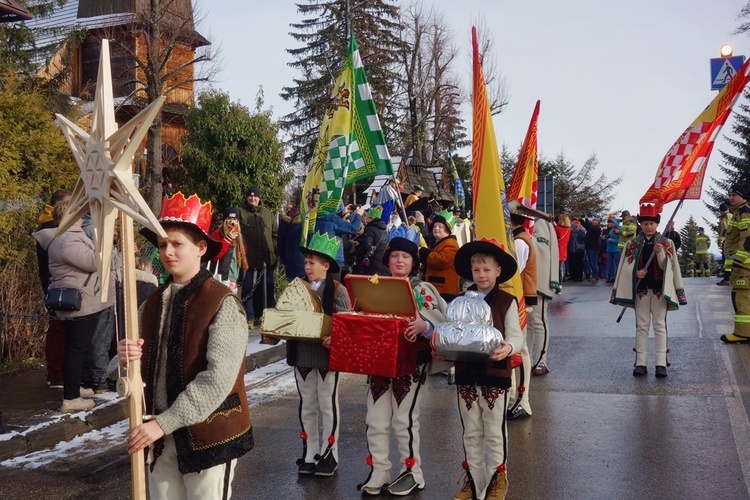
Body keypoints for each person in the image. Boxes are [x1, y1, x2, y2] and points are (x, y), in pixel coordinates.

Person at [119, 192, 252, 499]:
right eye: (163, 244)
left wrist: (163, 424)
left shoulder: (222, 302)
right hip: (161, 437)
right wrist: (126, 360)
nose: (168, 252)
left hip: (209, 436)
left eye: (177, 243)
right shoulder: (150, 304)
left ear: (201, 248)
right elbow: (130, 375)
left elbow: (217, 380)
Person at [358, 237, 448, 496]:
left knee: (404, 419)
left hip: (411, 363)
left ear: (413, 262)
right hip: (380, 361)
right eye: (395, 255)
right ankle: (379, 469)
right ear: (388, 260)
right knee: (375, 419)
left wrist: (425, 326)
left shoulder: (424, 290)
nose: (399, 260)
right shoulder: (376, 286)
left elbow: (440, 320)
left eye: (405, 256)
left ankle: (413, 472)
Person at [266, 232, 352, 477]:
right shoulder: (296, 287)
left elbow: (344, 325)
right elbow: (285, 316)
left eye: (312, 262)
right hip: (301, 354)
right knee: (307, 406)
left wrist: (335, 338)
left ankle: (330, 453)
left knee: (328, 404)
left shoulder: (338, 290)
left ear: (326, 265)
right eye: (305, 262)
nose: (307, 266)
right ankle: (310, 451)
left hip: (326, 357)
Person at [449, 237, 521, 500]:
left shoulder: (506, 301)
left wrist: (508, 348)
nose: (481, 275)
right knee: (471, 430)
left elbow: (516, 336)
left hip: (496, 374)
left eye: (487, 269)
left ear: (498, 271)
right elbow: (451, 333)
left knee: (493, 430)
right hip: (466, 373)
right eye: (476, 270)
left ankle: (497, 479)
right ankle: (474, 480)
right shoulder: (459, 301)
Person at [43, 200, 115, 412]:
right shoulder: (67, 241)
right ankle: (71, 397)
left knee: (77, 346)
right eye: (78, 213)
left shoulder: (67, 238)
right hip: (80, 301)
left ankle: (75, 386)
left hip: (82, 299)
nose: (82, 217)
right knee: (76, 348)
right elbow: (95, 262)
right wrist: (106, 241)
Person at [611, 203, 686, 377]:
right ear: (641, 225)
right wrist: (636, 273)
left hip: (660, 291)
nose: (649, 227)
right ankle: (641, 363)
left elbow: (670, 267)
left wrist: (660, 254)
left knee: (660, 326)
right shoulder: (632, 244)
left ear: (657, 224)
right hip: (641, 291)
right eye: (645, 223)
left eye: (652, 223)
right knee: (642, 326)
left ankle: (661, 363)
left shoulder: (666, 243)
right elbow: (625, 267)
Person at [33, 188, 71, 389]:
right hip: (56, 285)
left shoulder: (48, 228)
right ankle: (56, 372)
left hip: (52, 284)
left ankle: (56, 370)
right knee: (59, 329)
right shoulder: (52, 230)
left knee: (57, 328)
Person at [507, 203, 536, 420]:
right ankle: (511, 397)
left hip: (518, 299)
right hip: (515, 298)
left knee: (521, 348)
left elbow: (513, 271)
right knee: (514, 346)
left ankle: (522, 401)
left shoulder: (519, 241)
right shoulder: (520, 237)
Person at [238, 185, 278, 326]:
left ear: (259, 198)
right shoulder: (240, 212)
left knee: (266, 287)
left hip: (266, 257)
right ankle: (249, 316)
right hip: (247, 257)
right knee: (247, 288)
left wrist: (274, 250)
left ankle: (262, 315)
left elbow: (275, 234)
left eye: (255, 196)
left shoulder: (268, 214)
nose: (253, 198)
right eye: (250, 196)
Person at [528, 218, 561, 376]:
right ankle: (524, 359)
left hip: (538, 280)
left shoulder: (543, 224)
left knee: (538, 320)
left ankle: (541, 360)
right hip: (518, 281)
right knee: (523, 323)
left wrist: (553, 279)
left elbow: (551, 252)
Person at [721, 184, 750, 344]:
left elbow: (747, 239)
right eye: (730, 195)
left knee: (742, 297)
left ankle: (742, 333)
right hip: (741, 265)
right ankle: (746, 332)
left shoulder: (744, 212)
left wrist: (738, 260)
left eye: (734, 195)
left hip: (744, 266)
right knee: (741, 296)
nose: (731, 197)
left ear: (741, 196)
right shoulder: (737, 212)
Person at [419, 210, 461, 301]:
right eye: (434, 226)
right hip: (436, 288)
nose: (436, 228)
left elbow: (442, 260)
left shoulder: (451, 243)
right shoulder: (437, 243)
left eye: (440, 226)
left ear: (447, 229)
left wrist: (424, 252)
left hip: (444, 290)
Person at [315, 203, 364, 280]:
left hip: (318, 258)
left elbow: (329, 221)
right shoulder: (334, 219)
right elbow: (353, 228)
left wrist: (342, 213)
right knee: (333, 288)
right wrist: (359, 215)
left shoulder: (315, 217)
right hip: (334, 259)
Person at [210, 207, 249, 293]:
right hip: (220, 277)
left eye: (234, 219)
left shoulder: (239, 237)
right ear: (224, 220)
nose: (232, 222)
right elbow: (214, 256)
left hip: (234, 279)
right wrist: (227, 239)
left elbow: (242, 259)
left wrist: (241, 277)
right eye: (229, 219)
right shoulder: (217, 234)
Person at [353, 206, 389, 276]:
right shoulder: (384, 229)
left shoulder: (370, 228)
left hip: (372, 261)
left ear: (370, 218)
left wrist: (356, 253)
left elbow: (367, 245)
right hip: (381, 260)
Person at [278, 204, 306, 282]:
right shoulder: (306, 220)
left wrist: (284, 260)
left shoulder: (283, 221)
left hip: (290, 262)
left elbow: (280, 244)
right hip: (304, 263)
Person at [581, 217, 602, 283]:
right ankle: (594, 275)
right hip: (589, 247)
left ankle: (595, 276)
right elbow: (586, 225)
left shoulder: (597, 228)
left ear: (598, 222)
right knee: (591, 262)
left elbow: (590, 227)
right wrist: (581, 220)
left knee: (593, 262)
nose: (592, 220)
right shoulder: (591, 228)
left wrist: (587, 219)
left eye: (594, 219)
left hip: (593, 247)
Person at [718, 202, 732, 286]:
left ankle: (727, 279)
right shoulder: (730, 215)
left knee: (726, 260)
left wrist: (721, 241)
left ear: (720, 211)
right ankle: (728, 276)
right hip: (731, 241)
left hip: (727, 241)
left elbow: (725, 230)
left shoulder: (725, 217)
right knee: (729, 259)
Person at [554, 214, 571, 282]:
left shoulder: (557, 229)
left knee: (556, 268)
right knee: (561, 267)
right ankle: (560, 282)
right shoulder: (568, 229)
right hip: (563, 250)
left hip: (556, 249)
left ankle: (557, 281)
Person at [603, 218, 621, 283]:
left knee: (617, 263)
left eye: (612, 222)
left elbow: (620, 240)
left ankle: (619, 277)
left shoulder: (620, 229)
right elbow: (609, 236)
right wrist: (605, 236)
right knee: (610, 264)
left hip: (617, 249)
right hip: (609, 249)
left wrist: (612, 240)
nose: (610, 223)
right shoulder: (611, 230)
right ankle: (611, 277)